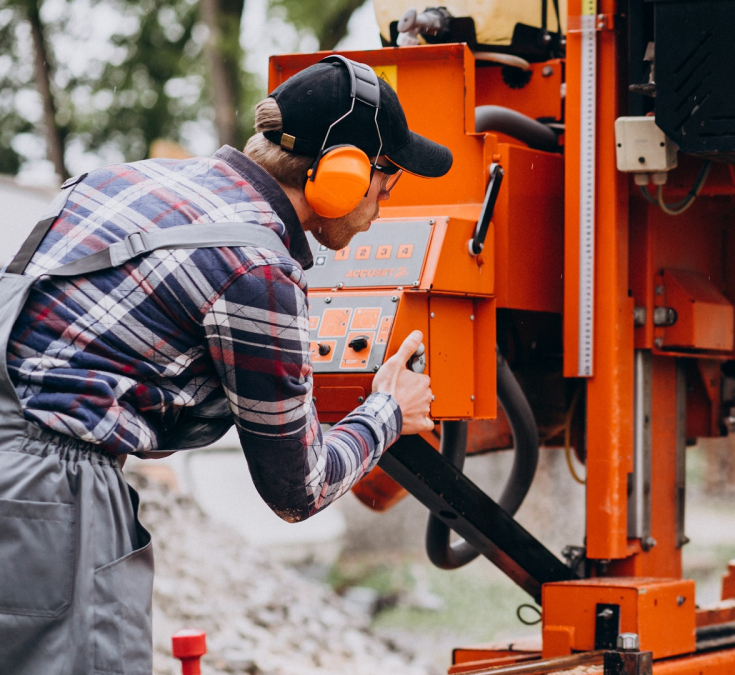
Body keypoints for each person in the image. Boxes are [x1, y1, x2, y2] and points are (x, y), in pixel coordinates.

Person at [0, 56, 450, 674]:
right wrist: (388, 410)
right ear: (339, 174)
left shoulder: (122, 180)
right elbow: (299, 489)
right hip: (49, 494)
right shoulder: (257, 268)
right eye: (386, 180)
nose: (383, 202)